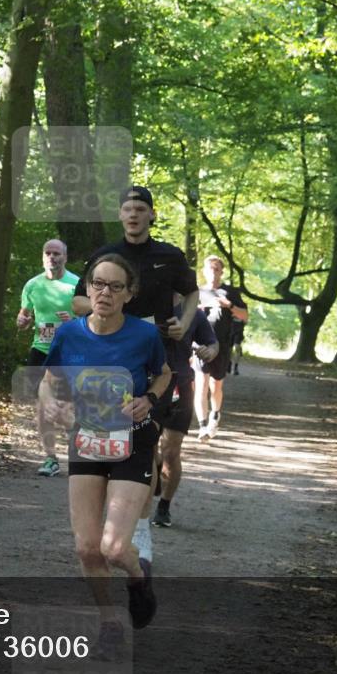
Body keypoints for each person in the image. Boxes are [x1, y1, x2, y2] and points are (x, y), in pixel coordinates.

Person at [42, 254, 172, 652]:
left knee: (114, 548)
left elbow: (165, 374)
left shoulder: (143, 336)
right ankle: (110, 623)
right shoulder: (70, 335)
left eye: (116, 286)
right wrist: (52, 404)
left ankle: (137, 578)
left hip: (131, 441)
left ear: (129, 295)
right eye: (98, 283)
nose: (105, 293)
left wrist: (149, 398)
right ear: (87, 287)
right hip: (87, 440)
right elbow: (49, 381)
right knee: (86, 546)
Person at [72, 186, 198, 567]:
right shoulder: (106, 257)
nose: (133, 214)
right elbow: (78, 300)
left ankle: (140, 531)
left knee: (149, 445)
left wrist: (184, 324)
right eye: (127, 208)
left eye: (140, 208)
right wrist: (112, 316)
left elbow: (191, 294)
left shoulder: (169, 256)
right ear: (120, 215)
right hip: (110, 367)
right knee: (107, 446)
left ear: (151, 215)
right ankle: (112, 521)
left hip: (158, 366)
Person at [16, 239, 79, 477]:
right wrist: (22, 322)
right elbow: (23, 317)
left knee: (65, 407)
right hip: (40, 349)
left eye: (57, 253)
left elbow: (93, 321)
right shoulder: (32, 285)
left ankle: (77, 447)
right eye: (48, 253)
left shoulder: (76, 284)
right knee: (42, 406)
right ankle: (50, 458)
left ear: (65, 256)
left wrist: (74, 323)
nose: (52, 257)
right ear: (43, 257)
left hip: (69, 352)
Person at [152, 301, 218, 528]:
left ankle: (164, 507)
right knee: (148, 450)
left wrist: (209, 351)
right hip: (148, 386)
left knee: (171, 451)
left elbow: (213, 343)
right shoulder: (144, 307)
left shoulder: (194, 314)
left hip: (180, 385)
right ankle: (154, 473)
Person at [194, 255, 248, 441]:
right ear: (204, 271)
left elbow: (245, 316)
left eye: (217, 269)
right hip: (201, 345)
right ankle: (202, 427)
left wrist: (230, 305)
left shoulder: (230, 292)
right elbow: (185, 317)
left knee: (215, 386)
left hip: (222, 345)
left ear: (222, 272)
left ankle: (215, 414)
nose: (213, 272)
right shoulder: (198, 292)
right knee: (201, 385)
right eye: (210, 268)